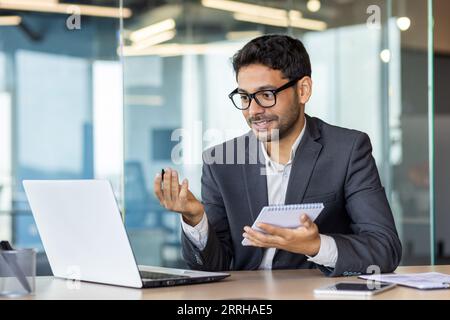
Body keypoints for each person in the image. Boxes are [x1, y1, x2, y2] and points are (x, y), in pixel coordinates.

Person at [153, 34, 402, 276]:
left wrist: (316, 246)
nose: (253, 111)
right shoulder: (220, 161)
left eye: (266, 95)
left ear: (303, 90)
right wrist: (195, 219)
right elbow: (213, 267)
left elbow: (384, 249)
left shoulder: (347, 150)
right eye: (244, 97)